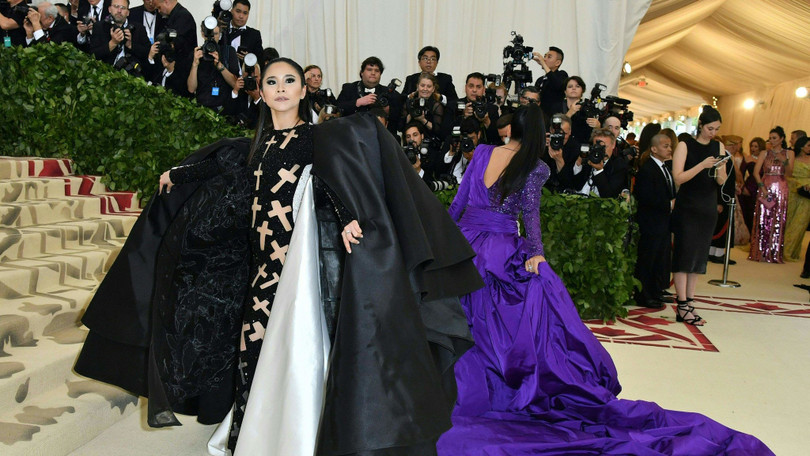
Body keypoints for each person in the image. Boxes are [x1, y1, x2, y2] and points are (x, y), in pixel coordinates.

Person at [74, 57, 482, 456]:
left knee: (296, 351)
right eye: (272, 82)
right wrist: (177, 174)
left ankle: (300, 434)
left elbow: (329, 182)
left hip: (295, 268)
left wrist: (346, 219)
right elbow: (221, 164)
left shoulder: (315, 139)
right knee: (251, 347)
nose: (281, 88)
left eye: (290, 81)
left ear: (304, 91)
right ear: (262, 93)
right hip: (260, 266)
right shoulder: (257, 144)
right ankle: (246, 434)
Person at [438, 103, 773, 455]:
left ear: (511, 127)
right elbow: (530, 215)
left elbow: (457, 203)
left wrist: (444, 243)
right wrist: (536, 253)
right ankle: (508, 382)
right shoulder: (534, 166)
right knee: (517, 319)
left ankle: (461, 383)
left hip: (467, 245)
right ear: (538, 132)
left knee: (468, 314)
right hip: (502, 249)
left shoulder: (483, 153)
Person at [671, 105, 728, 325]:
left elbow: (721, 180)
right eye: (710, 128)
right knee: (684, 256)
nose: (713, 133)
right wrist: (702, 165)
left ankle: (690, 302)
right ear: (701, 126)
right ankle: (682, 304)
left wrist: (720, 172)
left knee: (698, 258)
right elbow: (678, 178)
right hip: (688, 205)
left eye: (717, 129)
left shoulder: (718, 145)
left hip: (707, 206)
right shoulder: (685, 145)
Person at [633, 133, 676, 308]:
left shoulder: (665, 167)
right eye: (665, 146)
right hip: (650, 223)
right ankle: (644, 295)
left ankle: (656, 290)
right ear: (654, 148)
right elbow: (645, 197)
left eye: (670, 146)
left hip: (663, 222)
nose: (669, 149)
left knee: (660, 258)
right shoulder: (647, 169)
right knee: (648, 259)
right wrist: (669, 204)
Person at [749, 126, 793, 263]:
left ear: (782, 139)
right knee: (763, 219)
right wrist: (762, 187)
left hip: (781, 186)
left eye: (775, 138)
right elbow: (756, 172)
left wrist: (783, 160)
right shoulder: (764, 153)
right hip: (766, 185)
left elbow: (790, 173)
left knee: (778, 219)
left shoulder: (789, 153)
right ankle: (759, 251)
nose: (772, 141)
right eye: (770, 138)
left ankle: (775, 252)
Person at [571, 127, 629, 198]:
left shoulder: (619, 165)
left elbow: (609, 197)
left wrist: (599, 171)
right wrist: (578, 164)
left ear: (613, 145)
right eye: (597, 147)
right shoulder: (589, 159)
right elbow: (575, 185)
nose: (600, 151)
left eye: (604, 147)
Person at [708, 135, 740, 264]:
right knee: (721, 225)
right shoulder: (725, 159)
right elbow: (720, 183)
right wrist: (719, 201)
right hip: (724, 198)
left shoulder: (727, 158)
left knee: (720, 225)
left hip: (726, 197)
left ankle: (714, 252)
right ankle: (717, 253)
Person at [785, 136, 810, 261]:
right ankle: (781, 249)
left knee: (800, 223)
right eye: (808, 145)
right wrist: (798, 184)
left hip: (807, 196)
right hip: (793, 192)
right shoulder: (793, 158)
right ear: (801, 146)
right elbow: (787, 175)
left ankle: (790, 251)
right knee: (788, 221)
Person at [401, 72, 445, 140]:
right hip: (410, 141)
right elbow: (400, 127)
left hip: (430, 142)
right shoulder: (409, 103)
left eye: (429, 86)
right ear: (417, 86)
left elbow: (438, 131)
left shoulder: (437, 105)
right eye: (422, 85)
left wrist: (423, 120)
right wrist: (411, 115)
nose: (425, 89)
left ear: (433, 89)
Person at [531, 45, 568, 119]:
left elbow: (557, 84)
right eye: (544, 56)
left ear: (557, 63)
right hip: (540, 117)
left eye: (549, 57)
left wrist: (543, 64)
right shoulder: (540, 80)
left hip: (554, 118)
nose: (544, 59)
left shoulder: (562, 75)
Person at [740, 136, 766, 231]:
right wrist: (742, 187)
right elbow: (741, 174)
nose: (753, 148)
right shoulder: (747, 158)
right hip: (750, 186)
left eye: (756, 146)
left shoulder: (766, 159)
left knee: (760, 211)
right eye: (752, 146)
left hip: (762, 186)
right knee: (749, 211)